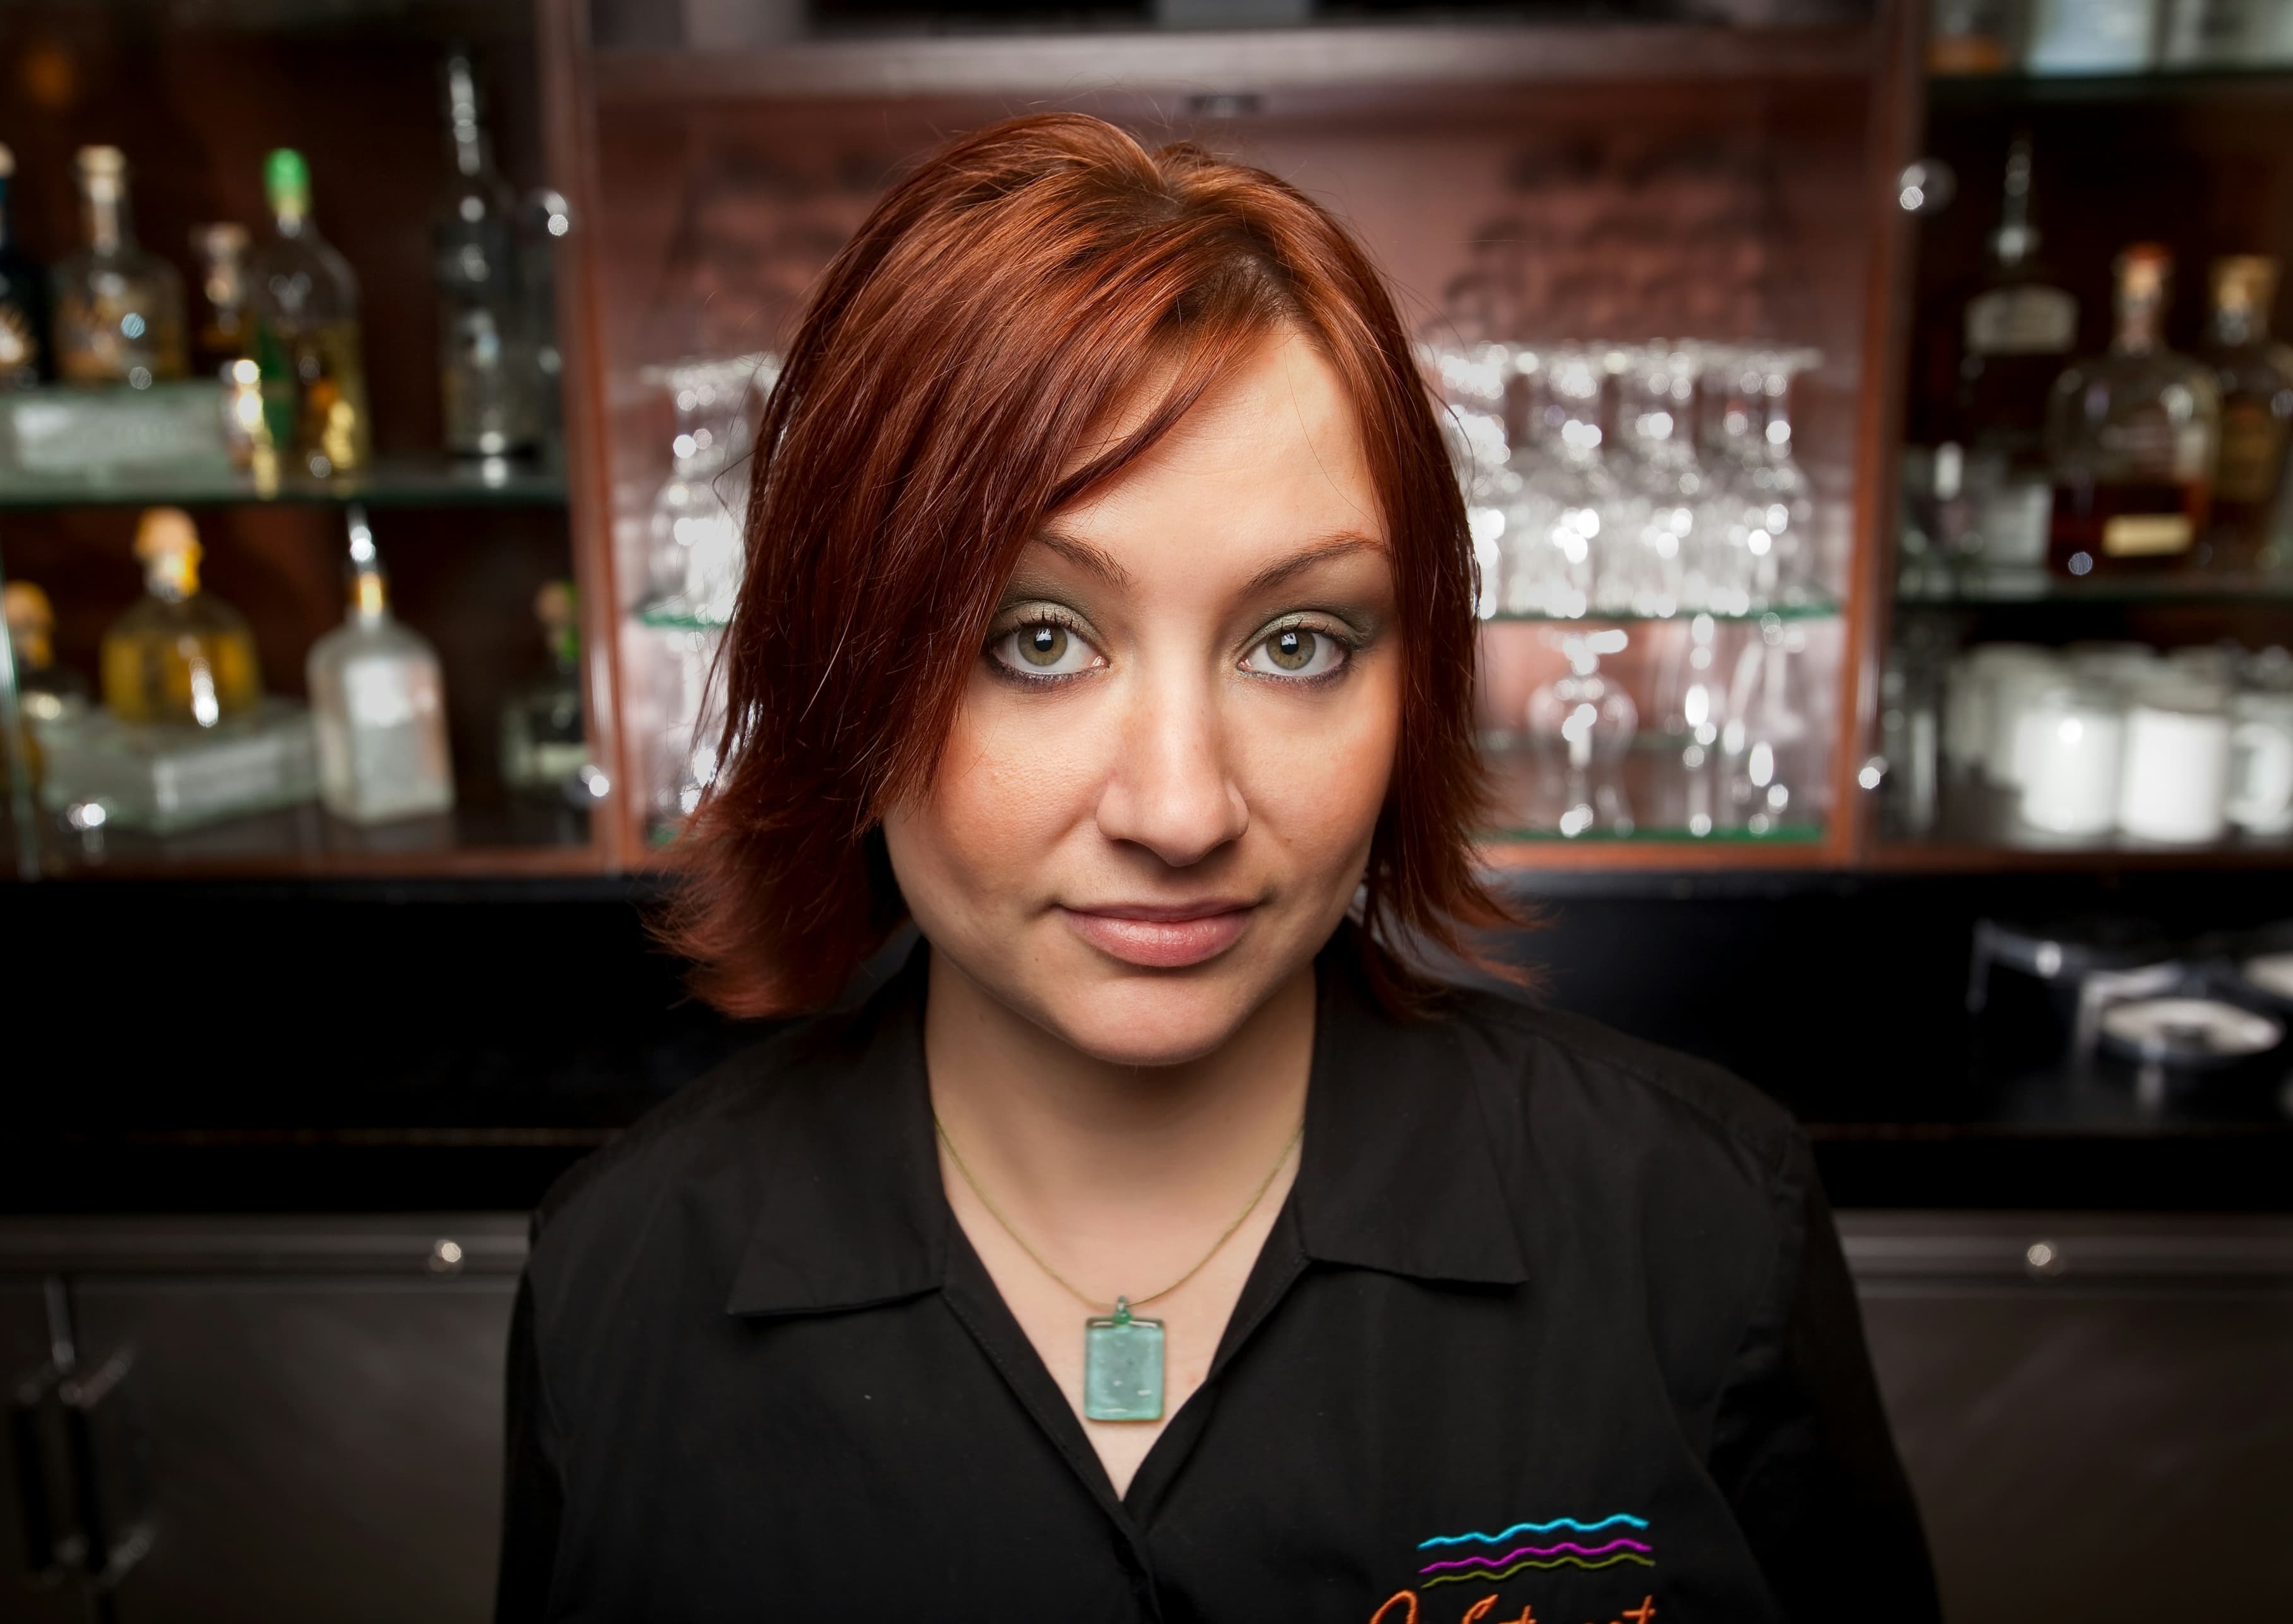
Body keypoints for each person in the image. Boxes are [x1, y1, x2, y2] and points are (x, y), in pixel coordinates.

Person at [497, 113, 1936, 1623]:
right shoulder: (623, 1277)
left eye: (1298, 642)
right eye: (1034, 640)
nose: (1181, 808)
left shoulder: (1699, 1223)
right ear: (842, 673)